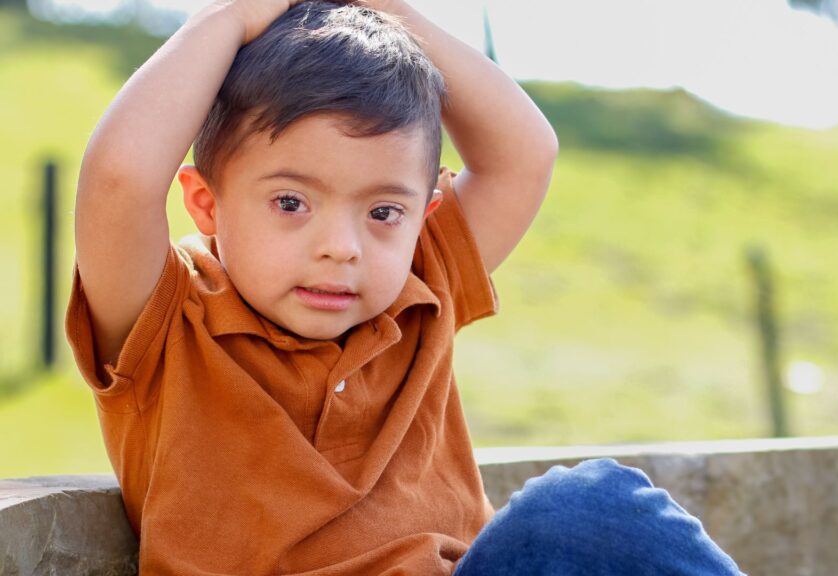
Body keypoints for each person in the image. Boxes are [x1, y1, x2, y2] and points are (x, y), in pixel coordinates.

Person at [66, 0, 744, 573]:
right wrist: (236, 15)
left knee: (588, 508)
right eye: (291, 203)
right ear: (207, 205)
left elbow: (524, 153)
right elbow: (119, 181)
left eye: (383, 212)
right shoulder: (167, 321)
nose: (342, 247)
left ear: (424, 216)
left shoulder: (423, 282)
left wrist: (382, 9)